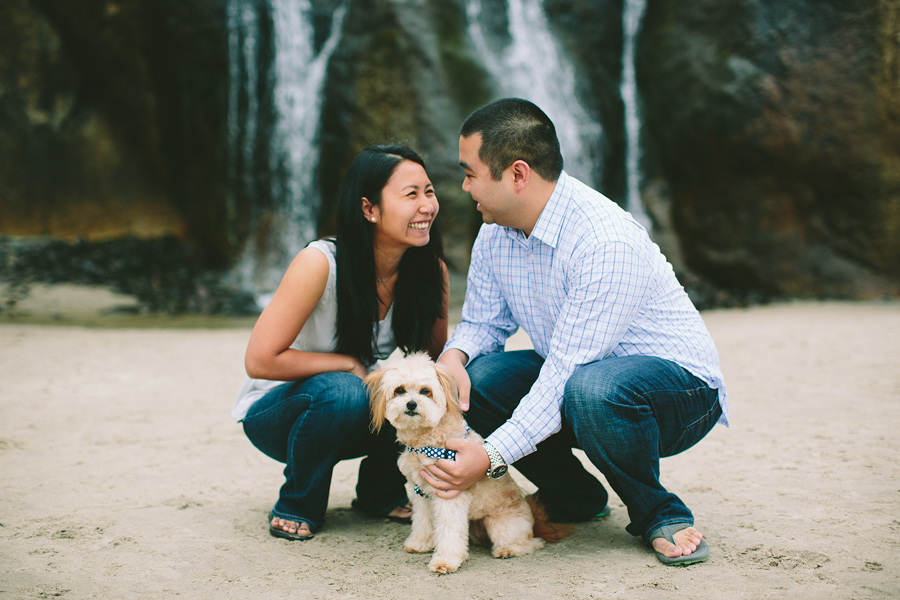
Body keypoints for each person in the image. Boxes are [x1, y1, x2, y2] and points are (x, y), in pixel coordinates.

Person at [424, 98, 728, 566]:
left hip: (678, 394)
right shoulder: (495, 232)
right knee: (480, 380)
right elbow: (484, 323)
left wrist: (487, 457)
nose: (463, 187)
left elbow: (568, 370)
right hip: (582, 383)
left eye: (470, 173)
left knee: (593, 388)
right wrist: (453, 359)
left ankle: (658, 512)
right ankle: (576, 495)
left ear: (517, 174)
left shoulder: (604, 239)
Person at [232, 145, 449, 541]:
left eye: (429, 191)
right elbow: (260, 360)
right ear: (369, 208)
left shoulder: (429, 272)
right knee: (348, 388)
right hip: (279, 414)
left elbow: (437, 364)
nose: (426, 205)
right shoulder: (321, 263)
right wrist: (346, 363)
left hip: (352, 415)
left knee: (404, 389)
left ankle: (379, 494)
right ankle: (298, 504)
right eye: (411, 194)